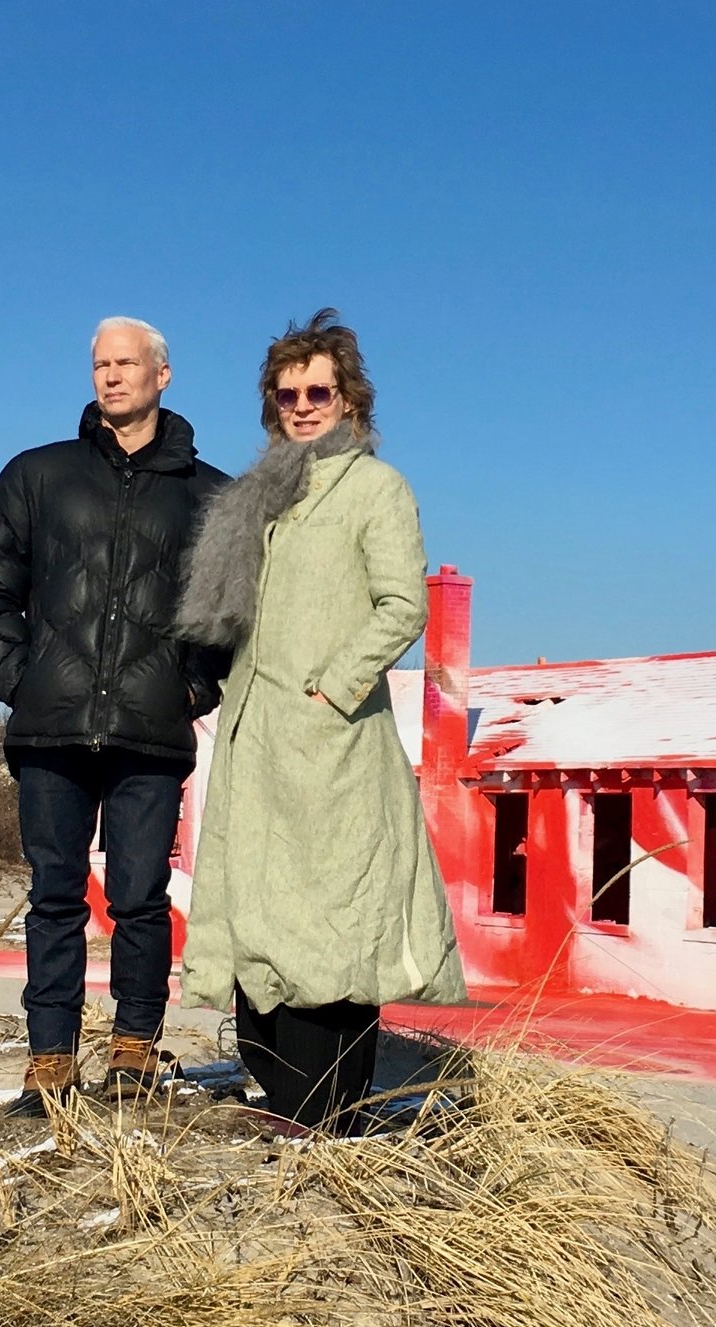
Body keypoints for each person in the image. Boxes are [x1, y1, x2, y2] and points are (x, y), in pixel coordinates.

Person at [173, 308, 464, 1131]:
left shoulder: (376, 487)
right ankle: (285, 1098)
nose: (303, 405)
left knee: (333, 923)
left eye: (319, 392)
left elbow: (403, 602)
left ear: (350, 400)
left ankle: (327, 1110)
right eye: (287, 392)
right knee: (262, 911)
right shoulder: (261, 495)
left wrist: (332, 689)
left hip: (331, 742)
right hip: (258, 738)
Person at [0, 316, 231, 1115]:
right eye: (100, 365)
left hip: (151, 730)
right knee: (55, 894)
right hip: (52, 728)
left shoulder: (210, 495)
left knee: (142, 897)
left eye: (127, 364)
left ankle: (135, 1048)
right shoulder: (36, 475)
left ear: (162, 375)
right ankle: (49, 1059)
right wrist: (20, 678)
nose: (112, 377)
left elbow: (228, 615)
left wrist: (193, 690)